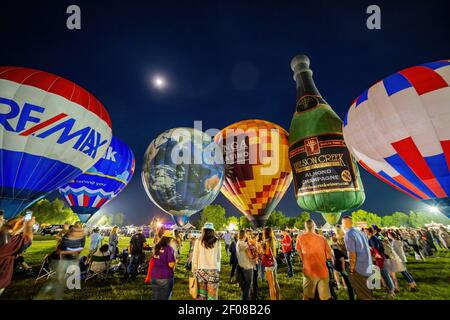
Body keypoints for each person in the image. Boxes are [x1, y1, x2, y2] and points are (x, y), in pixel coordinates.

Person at [296, 219, 332, 300]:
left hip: (309, 271)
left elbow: (299, 251)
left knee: (307, 297)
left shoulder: (300, 237)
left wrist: (304, 260)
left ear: (305, 227)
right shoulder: (322, 238)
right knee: (324, 298)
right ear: (314, 226)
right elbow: (329, 256)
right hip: (322, 271)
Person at [0, 215, 35, 296]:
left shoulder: (6, 237)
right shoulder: (7, 241)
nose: (2, 221)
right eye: (0, 219)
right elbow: (28, 240)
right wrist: (28, 226)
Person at [342, 216, 374, 300]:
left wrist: (352, 269)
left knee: (364, 295)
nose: (342, 225)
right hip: (367, 265)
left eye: (342, 223)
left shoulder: (348, 234)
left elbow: (352, 254)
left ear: (345, 223)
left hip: (358, 268)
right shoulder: (360, 232)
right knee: (367, 291)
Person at [192, 222, 221, 300]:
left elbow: (195, 256)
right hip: (213, 270)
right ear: (212, 231)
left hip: (201, 270)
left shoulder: (198, 241)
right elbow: (218, 257)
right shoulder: (217, 241)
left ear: (204, 230)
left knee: (202, 296)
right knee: (212, 297)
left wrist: (194, 269)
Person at [364, 227, 396, 299]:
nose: (365, 233)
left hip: (379, 259)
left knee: (385, 274)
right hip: (379, 258)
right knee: (384, 274)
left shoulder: (372, 239)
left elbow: (376, 249)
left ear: (369, 232)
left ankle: (391, 290)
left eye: (366, 231)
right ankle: (390, 290)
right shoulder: (373, 238)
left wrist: (373, 254)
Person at [149, 230, 176, 300]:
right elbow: (171, 264)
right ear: (169, 239)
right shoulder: (169, 249)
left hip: (154, 276)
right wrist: (175, 261)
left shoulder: (156, 246)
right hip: (165, 277)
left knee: (155, 297)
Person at [331, 225, 354, 300]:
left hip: (342, 263)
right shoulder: (347, 238)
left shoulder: (335, 243)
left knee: (348, 283)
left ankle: (351, 296)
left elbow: (340, 257)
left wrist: (343, 269)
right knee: (350, 281)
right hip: (349, 261)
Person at [236, 230, 257, 300]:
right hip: (247, 267)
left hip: (241, 266)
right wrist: (255, 247)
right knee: (247, 285)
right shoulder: (244, 244)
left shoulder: (238, 242)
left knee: (244, 286)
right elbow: (250, 256)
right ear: (244, 235)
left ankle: (245, 297)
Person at [261, 227, 280, 300]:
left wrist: (261, 248)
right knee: (275, 281)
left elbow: (266, 252)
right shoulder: (272, 239)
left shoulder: (267, 241)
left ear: (265, 233)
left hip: (269, 264)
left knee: (271, 286)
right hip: (274, 261)